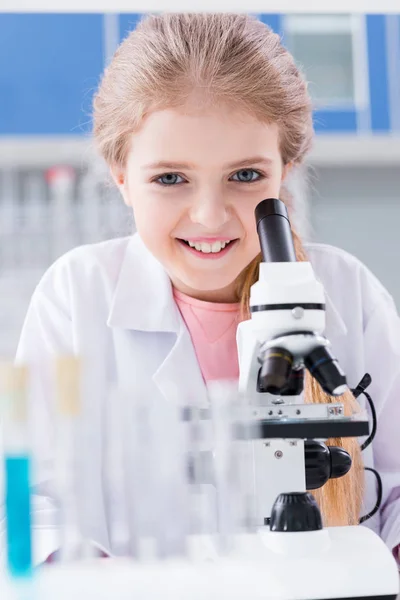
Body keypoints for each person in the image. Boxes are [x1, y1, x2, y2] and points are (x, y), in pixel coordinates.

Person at [3, 13, 400, 566]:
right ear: (122, 176)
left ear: (286, 168)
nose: (210, 216)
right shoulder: (79, 294)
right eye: (171, 178)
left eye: (245, 176)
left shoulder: (346, 291)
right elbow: (37, 502)